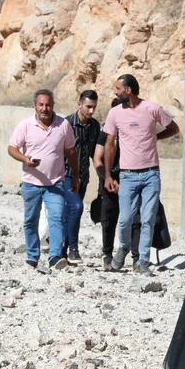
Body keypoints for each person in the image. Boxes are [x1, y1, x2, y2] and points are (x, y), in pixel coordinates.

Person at [102, 74, 179, 275]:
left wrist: (156, 137)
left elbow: (173, 128)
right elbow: (109, 145)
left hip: (151, 174)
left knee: (148, 219)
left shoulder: (152, 109)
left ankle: (144, 260)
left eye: (118, 89)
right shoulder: (115, 113)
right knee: (125, 218)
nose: (115, 92)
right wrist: (108, 176)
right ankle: (124, 247)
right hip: (127, 175)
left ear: (128, 90)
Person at [7, 89, 78, 271]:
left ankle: (55, 257)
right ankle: (32, 256)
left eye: (48, 104)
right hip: (31, 183)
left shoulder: (63, 125)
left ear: (52, 105)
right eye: (41, 104)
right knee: (31, 220)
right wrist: (25, 159)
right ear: (35, 106)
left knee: (57, 218)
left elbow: (70, 151)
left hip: (55, 183)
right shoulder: (25, 125)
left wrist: (76, 176)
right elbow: (12, 148)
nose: (44, 108)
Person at [63, 89, 103, 265]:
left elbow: (95, 155)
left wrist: (102, 178)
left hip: (83, 177)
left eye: (94, 107)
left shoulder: (94, 126)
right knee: (76, 208)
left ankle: (62, 251)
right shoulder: (66, 124)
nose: (91, 111)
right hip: (65, 175)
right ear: (79, 104)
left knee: (73, 214)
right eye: (88, 107)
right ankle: (72, 249)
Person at [98, 97, 122, 265]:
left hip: (130, 180)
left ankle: (135, 257)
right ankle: (107, 254)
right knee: (108, 219)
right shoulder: (105, 134)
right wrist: (107, 178)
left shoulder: (134, 132)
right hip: (110, 181)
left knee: (134, 219)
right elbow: (97, 159)